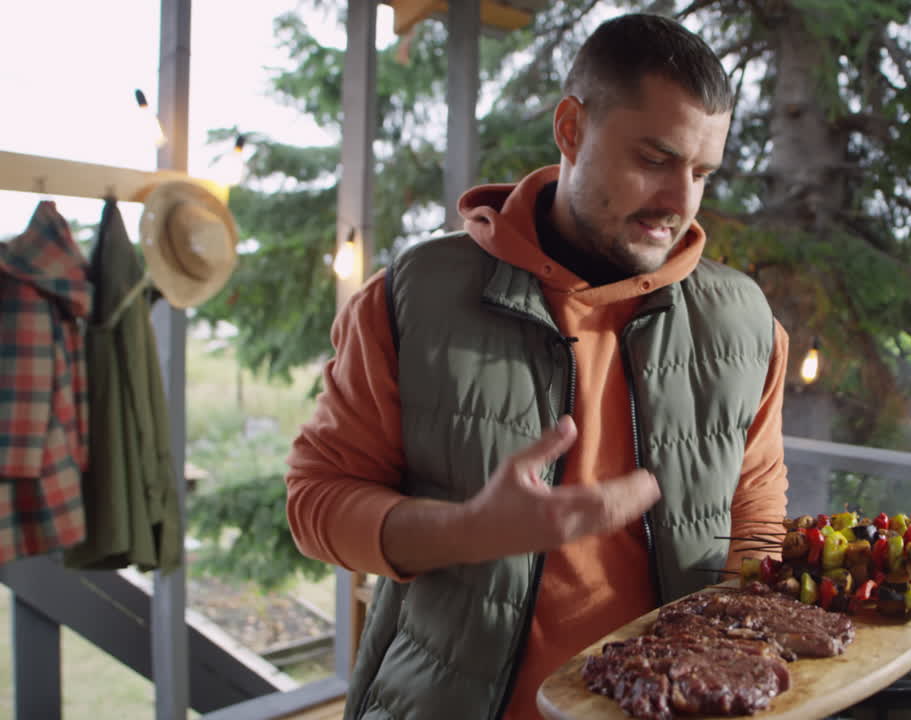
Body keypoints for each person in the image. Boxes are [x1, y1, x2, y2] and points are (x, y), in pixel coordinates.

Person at [286, 13, 790, 720]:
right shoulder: (411, 299)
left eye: (702, 172)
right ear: (571, 129)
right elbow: (315, 504)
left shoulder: (744, 322)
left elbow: (755, 515)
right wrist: (467, 532)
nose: (680, 203)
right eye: (654, 158)